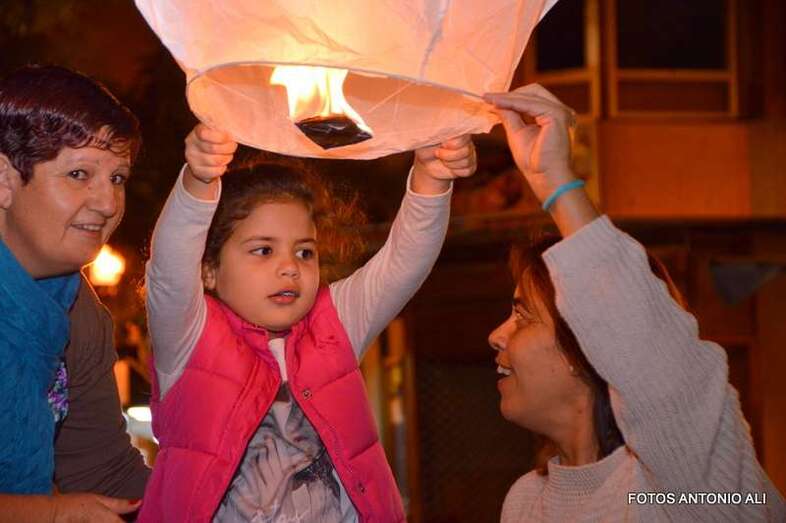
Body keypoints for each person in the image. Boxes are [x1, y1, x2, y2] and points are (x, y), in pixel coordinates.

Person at [138, 123, 476, 521]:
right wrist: (198, 181)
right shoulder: (189, 337)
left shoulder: (333, 326)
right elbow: (168, 270)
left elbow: (404, 262)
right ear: (209, 269)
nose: (290, 268)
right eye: (263, 250)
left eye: (304, 252)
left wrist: (431, 178)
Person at [483, 84, 786, 522]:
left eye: (522, 315)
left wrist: (557, 185)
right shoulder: (526, 502)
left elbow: (659, 362)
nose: (496, 336)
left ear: (589, 345)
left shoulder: (680, 488)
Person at [0, 65, 149, 522]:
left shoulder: (78, 311)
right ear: (4, 179)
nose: (107, 204)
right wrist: (45, 515)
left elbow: (102, 470)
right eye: (79, 173)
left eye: (117, 178)